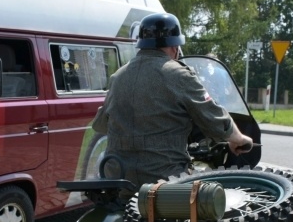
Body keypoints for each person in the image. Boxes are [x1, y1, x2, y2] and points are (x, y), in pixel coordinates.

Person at [91, 12, 252, 188]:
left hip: (118, 180)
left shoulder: (118, 77)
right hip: (164, 182)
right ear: (174, 47)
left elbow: (99, 125)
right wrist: (238, 139)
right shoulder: (178, 74)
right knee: (212, 201)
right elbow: (214, 117)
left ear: (141, 46)